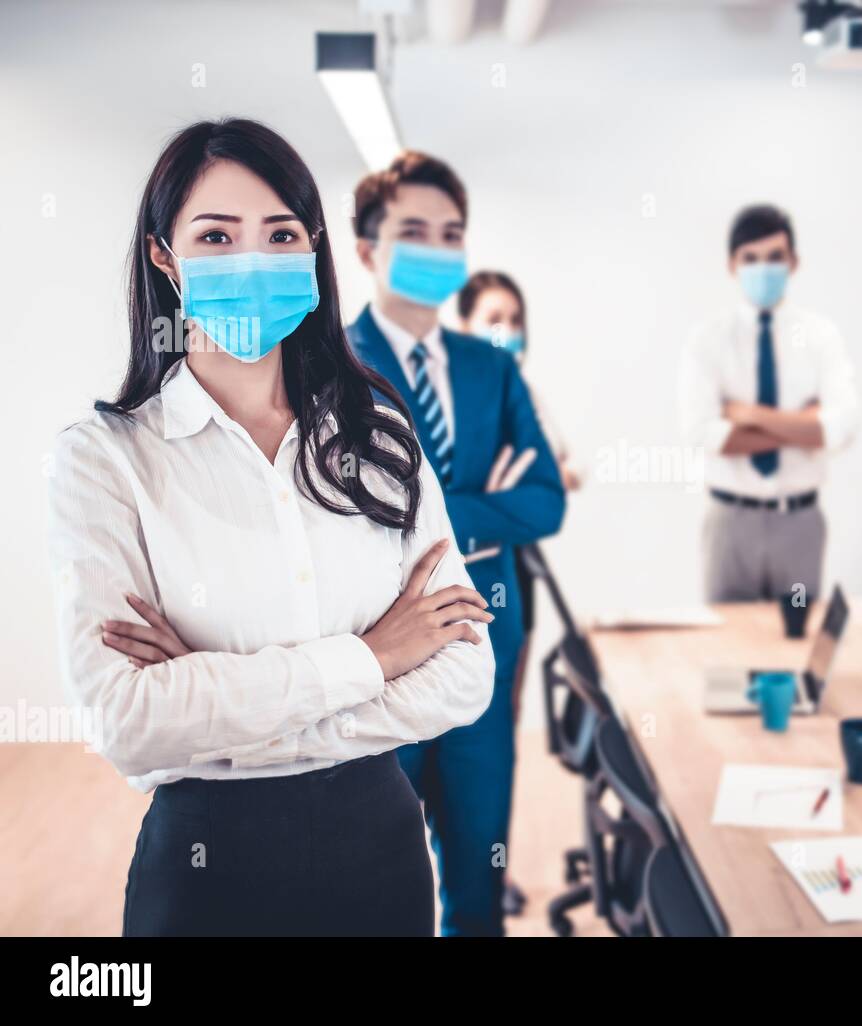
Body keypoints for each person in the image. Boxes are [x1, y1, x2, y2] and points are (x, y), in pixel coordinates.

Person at [45, 119, 495, 937]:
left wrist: (229, 718)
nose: (251, 258)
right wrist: (376, 656)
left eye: (280, 233)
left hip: (383, 856)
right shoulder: (105, 462)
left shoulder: (380, 438)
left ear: (313, 249)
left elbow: (466, 673)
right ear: (163, 257)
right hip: (207, 873)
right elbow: (130, 724)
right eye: (215, 235)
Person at [347, 152, 566, 936]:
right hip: (378, 662)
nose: (438, 249)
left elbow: (544, 502)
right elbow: (341, 516)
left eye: (451, 234)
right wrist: (483, 505)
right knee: (382, 889)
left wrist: (430, 514)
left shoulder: (491, 368)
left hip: (484, 642)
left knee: (479, 879)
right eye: (414, 231)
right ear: (368, 249)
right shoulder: (324, 369)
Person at [456, 269, 580, 916]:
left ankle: (489, 870)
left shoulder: (520, 391)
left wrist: (500, 501)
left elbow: (558, 477)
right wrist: (501, 501)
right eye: (492, 319)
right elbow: (449, 505)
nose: (507, 331)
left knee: (502, 725)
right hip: (462, 583)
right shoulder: (458, 398)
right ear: (464, 327)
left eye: (515, 318)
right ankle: (460, 873)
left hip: (516, 578)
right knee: (457, 732)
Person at [679, 204, 858, 605]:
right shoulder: (707, 339)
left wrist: (748, 415)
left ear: (794, 262)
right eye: (751, 259)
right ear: (732, 265)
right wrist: (802, 426)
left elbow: (841, 429)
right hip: (730, 523)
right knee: (728, 652)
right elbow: (702, 434)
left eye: (775, 257)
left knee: (798, 647)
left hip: (800, 522)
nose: (764, 269)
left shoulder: (820, 335)